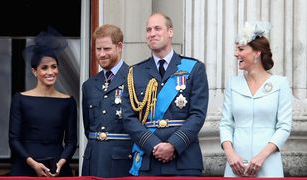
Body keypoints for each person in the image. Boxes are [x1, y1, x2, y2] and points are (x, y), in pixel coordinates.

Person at [122, 12, 209, 176]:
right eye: (148, 30)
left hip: (184, 160)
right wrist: (153, 145)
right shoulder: (135, 72)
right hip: (148, 160)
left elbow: (198, 115)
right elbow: (128, 117)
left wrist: (173, 145)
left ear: (170, 32)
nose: (152, 33)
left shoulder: (194, 68)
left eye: (157, 28)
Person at [219, 22, 292, 177]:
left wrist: (261, 157)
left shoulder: (280, 84)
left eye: (241, 49)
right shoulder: (233, 83)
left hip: (268, 164)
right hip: (235, 166)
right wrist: (230, 154)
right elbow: (226, 124)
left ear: (257, 53)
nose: (235, 54)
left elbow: (284, 127)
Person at [9, 27, 77, 177]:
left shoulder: (68, 101)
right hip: (26, 167)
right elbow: (14, 140)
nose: (50, 72)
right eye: (44, 68)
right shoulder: (20, 99)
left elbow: (72, 141)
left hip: (57, 168)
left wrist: (61, 162)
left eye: (54, 67)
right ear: (35, 71)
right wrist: (32, 163)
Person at [81, 24, 133, 178]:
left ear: (119, 47)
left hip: (122, 162)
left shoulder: (135, 78)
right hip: (94, 160)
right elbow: (88, 128)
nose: (102, 54)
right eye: (98, 49)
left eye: (107, 49)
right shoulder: (89, 85)